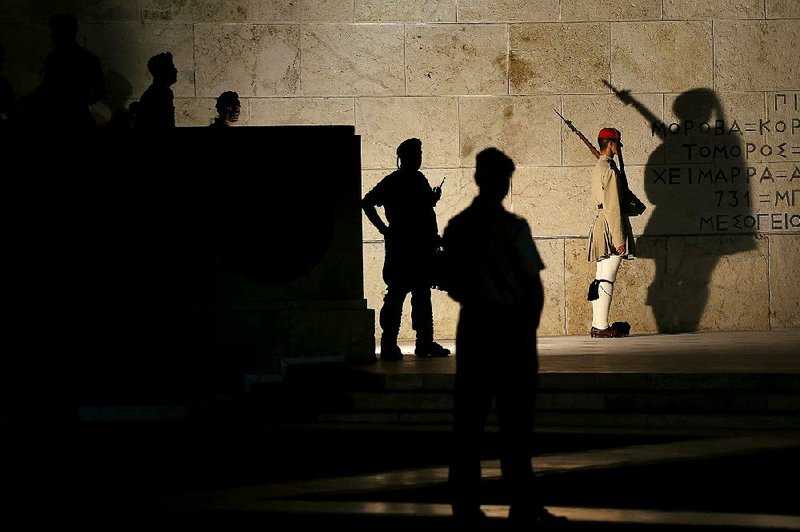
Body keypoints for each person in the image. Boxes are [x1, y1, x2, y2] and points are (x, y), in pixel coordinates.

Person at [442, 147, 567, 529]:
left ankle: (464, 505)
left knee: (469, 423)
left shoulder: (458, 226)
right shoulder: (514, 228)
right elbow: (533, 285)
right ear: (503, 182)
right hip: (510, 329)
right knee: (516, 425)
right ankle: (523, 503)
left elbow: (449, 281)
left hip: (475, 327)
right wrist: (525, 329)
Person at [362, 138, 450, 360]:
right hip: (402, 248)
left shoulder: (418, 179)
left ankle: (424, 342)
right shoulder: (394, 181)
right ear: (404, 158)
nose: (418, 159)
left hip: (421, 247)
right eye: (415, 155)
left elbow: (421, 209)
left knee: (421, 295)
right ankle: (390, 344)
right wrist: (385, 229)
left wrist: (432, 200)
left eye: (419, 154)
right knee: (398, 295)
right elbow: (367, 202)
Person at [587, 127, 636, 338]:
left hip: (601, 223)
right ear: (611, 144)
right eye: (617, 144)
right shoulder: (610, 170)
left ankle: (598, 324)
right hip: (610, 225)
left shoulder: (600, 167)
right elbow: (614, 207)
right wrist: (619, 240)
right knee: (607, 278)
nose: (618, 149)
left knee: (600, 278)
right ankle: (601, 326)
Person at [30, 13, 105, 128]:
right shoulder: (89, 58)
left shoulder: (54, 58)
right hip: (78, 117)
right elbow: (99, 91)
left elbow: (47, 87)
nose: (52, 35)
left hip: (59, 118)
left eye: (55, 31)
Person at [136, 52, 177, 129]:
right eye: (172, 67)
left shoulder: (157, 91)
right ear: (163, 72)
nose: (176, 70)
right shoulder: (163, 93)